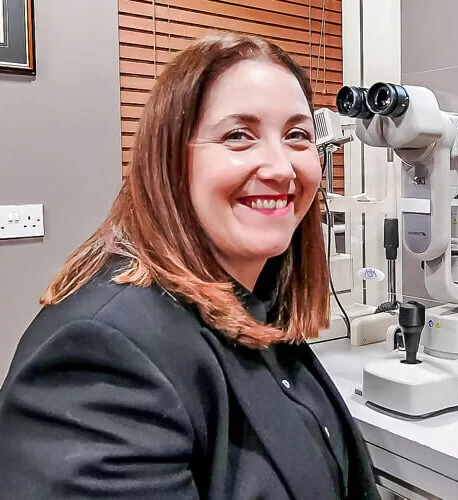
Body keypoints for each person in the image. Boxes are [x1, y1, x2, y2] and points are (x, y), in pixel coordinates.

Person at [0, 32, 380, 499]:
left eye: (297, 135)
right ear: (171, 159)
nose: (282, 168)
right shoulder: (103, 355)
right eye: (238, 135)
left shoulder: (255, 306)